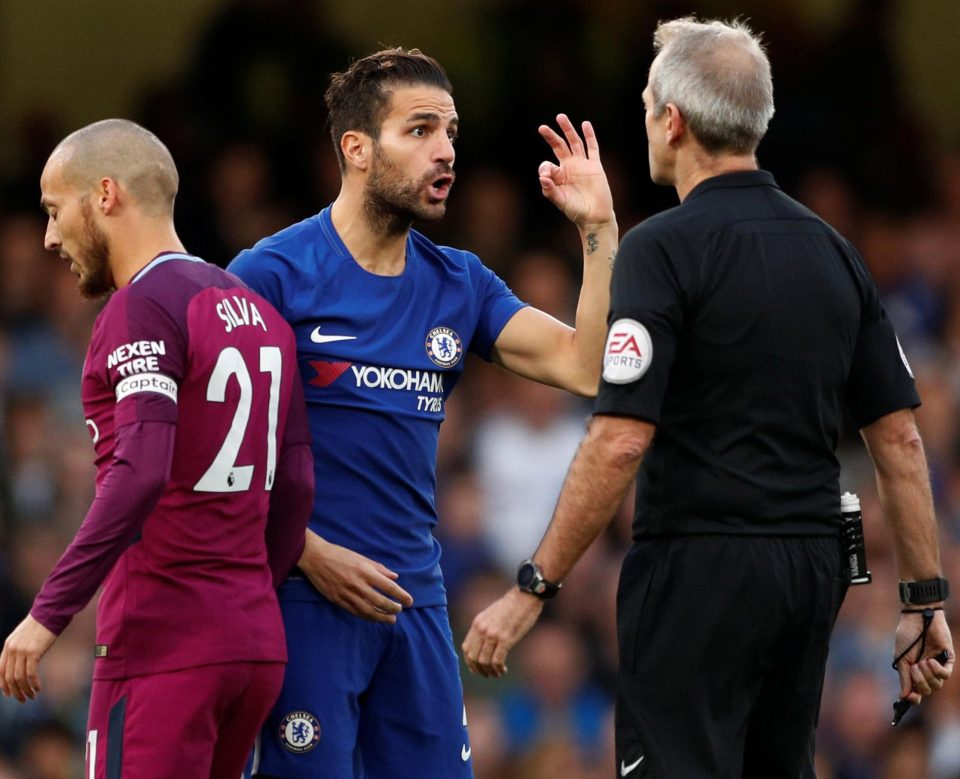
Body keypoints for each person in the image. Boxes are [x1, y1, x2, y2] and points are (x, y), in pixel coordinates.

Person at [462, 17, 955, 778]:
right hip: (809, 570)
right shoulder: (834, 251)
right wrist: (923, 601)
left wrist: (534, 585)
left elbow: (620, 437)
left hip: (697, 571)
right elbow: (901, 440)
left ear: (673, 120)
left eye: (649, 99)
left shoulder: (662, 247)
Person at [228, 47, 616, 779]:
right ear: (357, 149)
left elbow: (583, 363)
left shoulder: (458, 282)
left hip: (414, 603)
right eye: (420, 130)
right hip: (301, 598)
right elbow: (214, 453)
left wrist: (597, 232)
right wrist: (306, 551)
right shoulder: (269, 275)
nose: (445, 151)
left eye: (453, 133)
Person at [0, 119, 314, 779]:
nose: (51, 237)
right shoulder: (260, 314)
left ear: (105, 195)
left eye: (56, 211)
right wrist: (249, 596)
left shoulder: (140, 308)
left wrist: (47, 611)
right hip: (253, 647)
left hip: (163, 644)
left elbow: (140, 472)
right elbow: (295, 488)